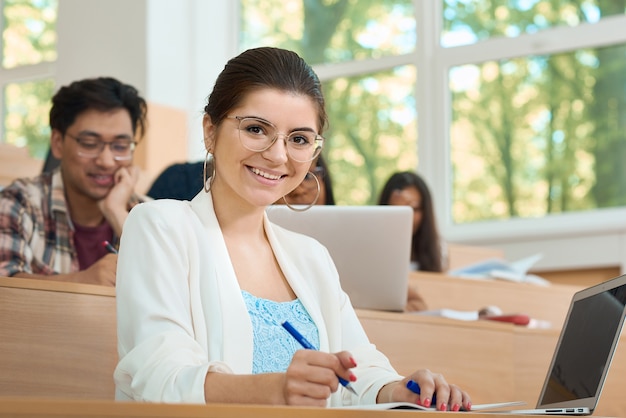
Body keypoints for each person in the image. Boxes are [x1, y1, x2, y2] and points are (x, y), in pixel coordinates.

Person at [114, 47, 471, 410]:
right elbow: (159, 376)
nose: (278, 155)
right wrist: (274, 391)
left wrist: (398, 390)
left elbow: (358, 369)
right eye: (256, 129)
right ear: (210, 131)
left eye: (299, 139)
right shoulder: (160, 226)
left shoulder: (311, 256)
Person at [0, 77, 148, 286]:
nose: (106, 161)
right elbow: (4, 288)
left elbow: (175, 294)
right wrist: (82, 282)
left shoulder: (149, 213)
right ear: (58, 143)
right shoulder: (18, 203)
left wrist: (117, 213)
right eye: (89, 143)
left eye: (120, 146)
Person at [378, 171, 445, 311]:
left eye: (414, 208)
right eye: (397, 210)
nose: (407, 216)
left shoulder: (439, 250)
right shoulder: (375, 250)